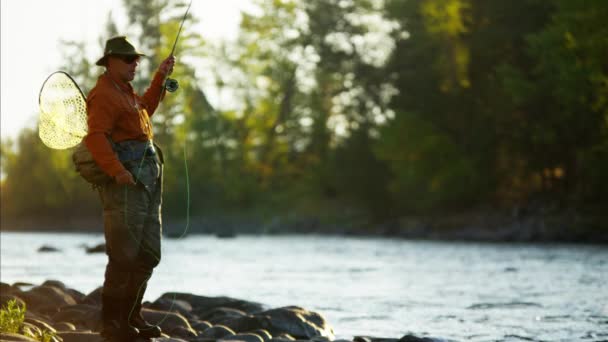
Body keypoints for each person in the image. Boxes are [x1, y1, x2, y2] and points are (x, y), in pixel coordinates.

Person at [85, 36, 175, 341]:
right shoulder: (103, 95)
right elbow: (95, 138)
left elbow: (147, 109)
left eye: (135, 59)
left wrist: (161, 76)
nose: (134, 63)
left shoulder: (128, 93)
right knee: (123, 257)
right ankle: (112, 325)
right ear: (110, 61)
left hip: (148, 187)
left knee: (148, 254)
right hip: (124, 189)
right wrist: (118, 172)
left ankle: (131, 317)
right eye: (127, 59)